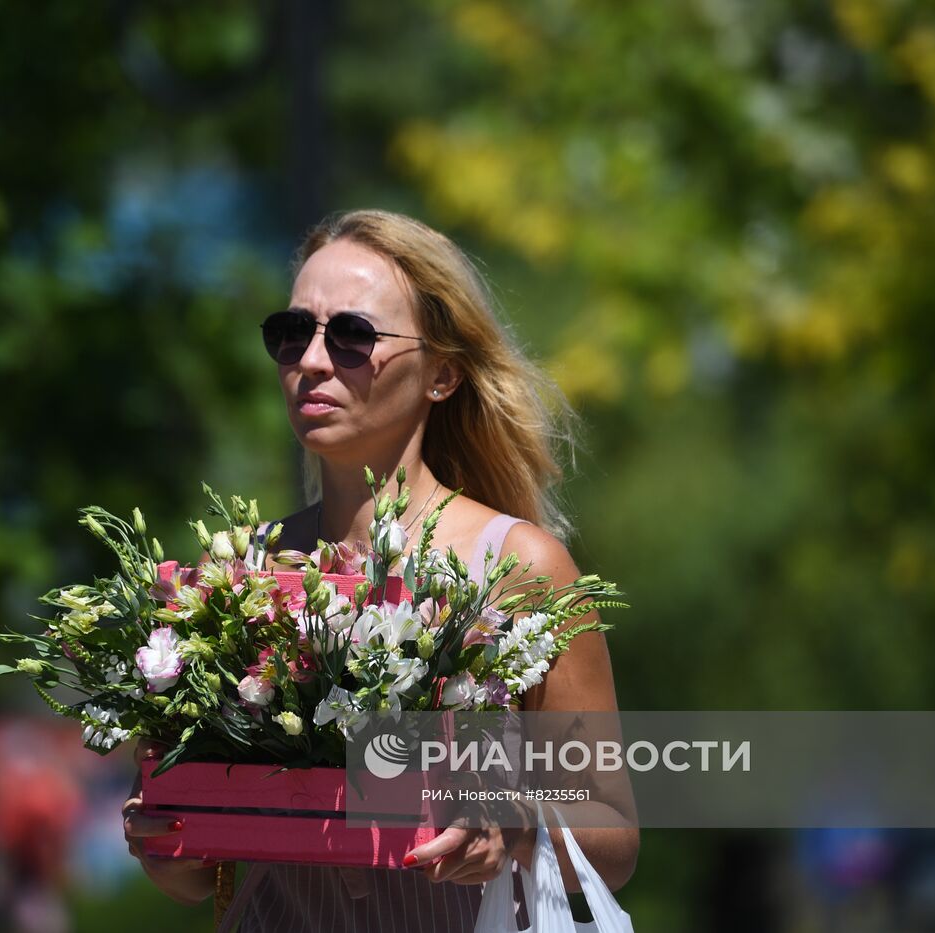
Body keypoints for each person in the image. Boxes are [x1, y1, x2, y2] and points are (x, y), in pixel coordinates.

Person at [122, 208, 639, 929]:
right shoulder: (239, 575)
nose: (310, 360)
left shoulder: (518, 563)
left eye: (353, 336)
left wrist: (514, 822)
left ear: (443, 372)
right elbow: (205, 861)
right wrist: (169, 846)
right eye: (292, 332)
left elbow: (612, 836)